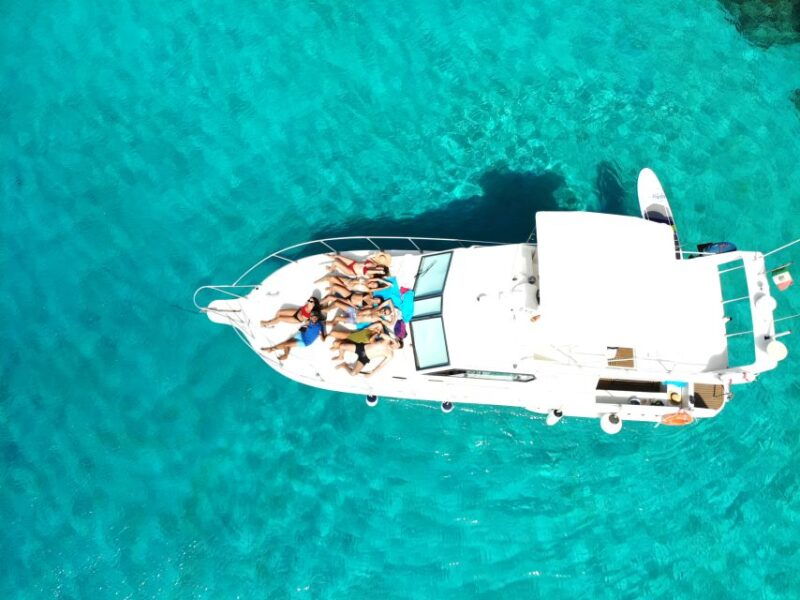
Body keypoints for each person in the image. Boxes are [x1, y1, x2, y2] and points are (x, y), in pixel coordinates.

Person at [261, 312, 326, 361]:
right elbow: (304, 327)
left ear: (318, 318)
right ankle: (271, 349)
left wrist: (320, 335)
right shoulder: (309, 322)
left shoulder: (320, 325)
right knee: (285, 343)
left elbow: (323, 340)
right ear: (311, 317)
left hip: (305, 341)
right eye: (313, 317)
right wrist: (301, 329)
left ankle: (286, 355)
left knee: (286, 345)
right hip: (301, 335)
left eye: (316, 317)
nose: (314, 318)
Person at [333, 337, 402, 377]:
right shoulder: (386, 340)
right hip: (362, 348)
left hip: (365, 358)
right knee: (341, 346)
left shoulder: (390, 354)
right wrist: (392, 340)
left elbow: (381, 366)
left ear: (397, 348)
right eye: (395, 342)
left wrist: (371, 374)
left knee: (353, 374)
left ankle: (344, 365)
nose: (394, 345)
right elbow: (381, 334)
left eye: (396, 345)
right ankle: (340, 357)